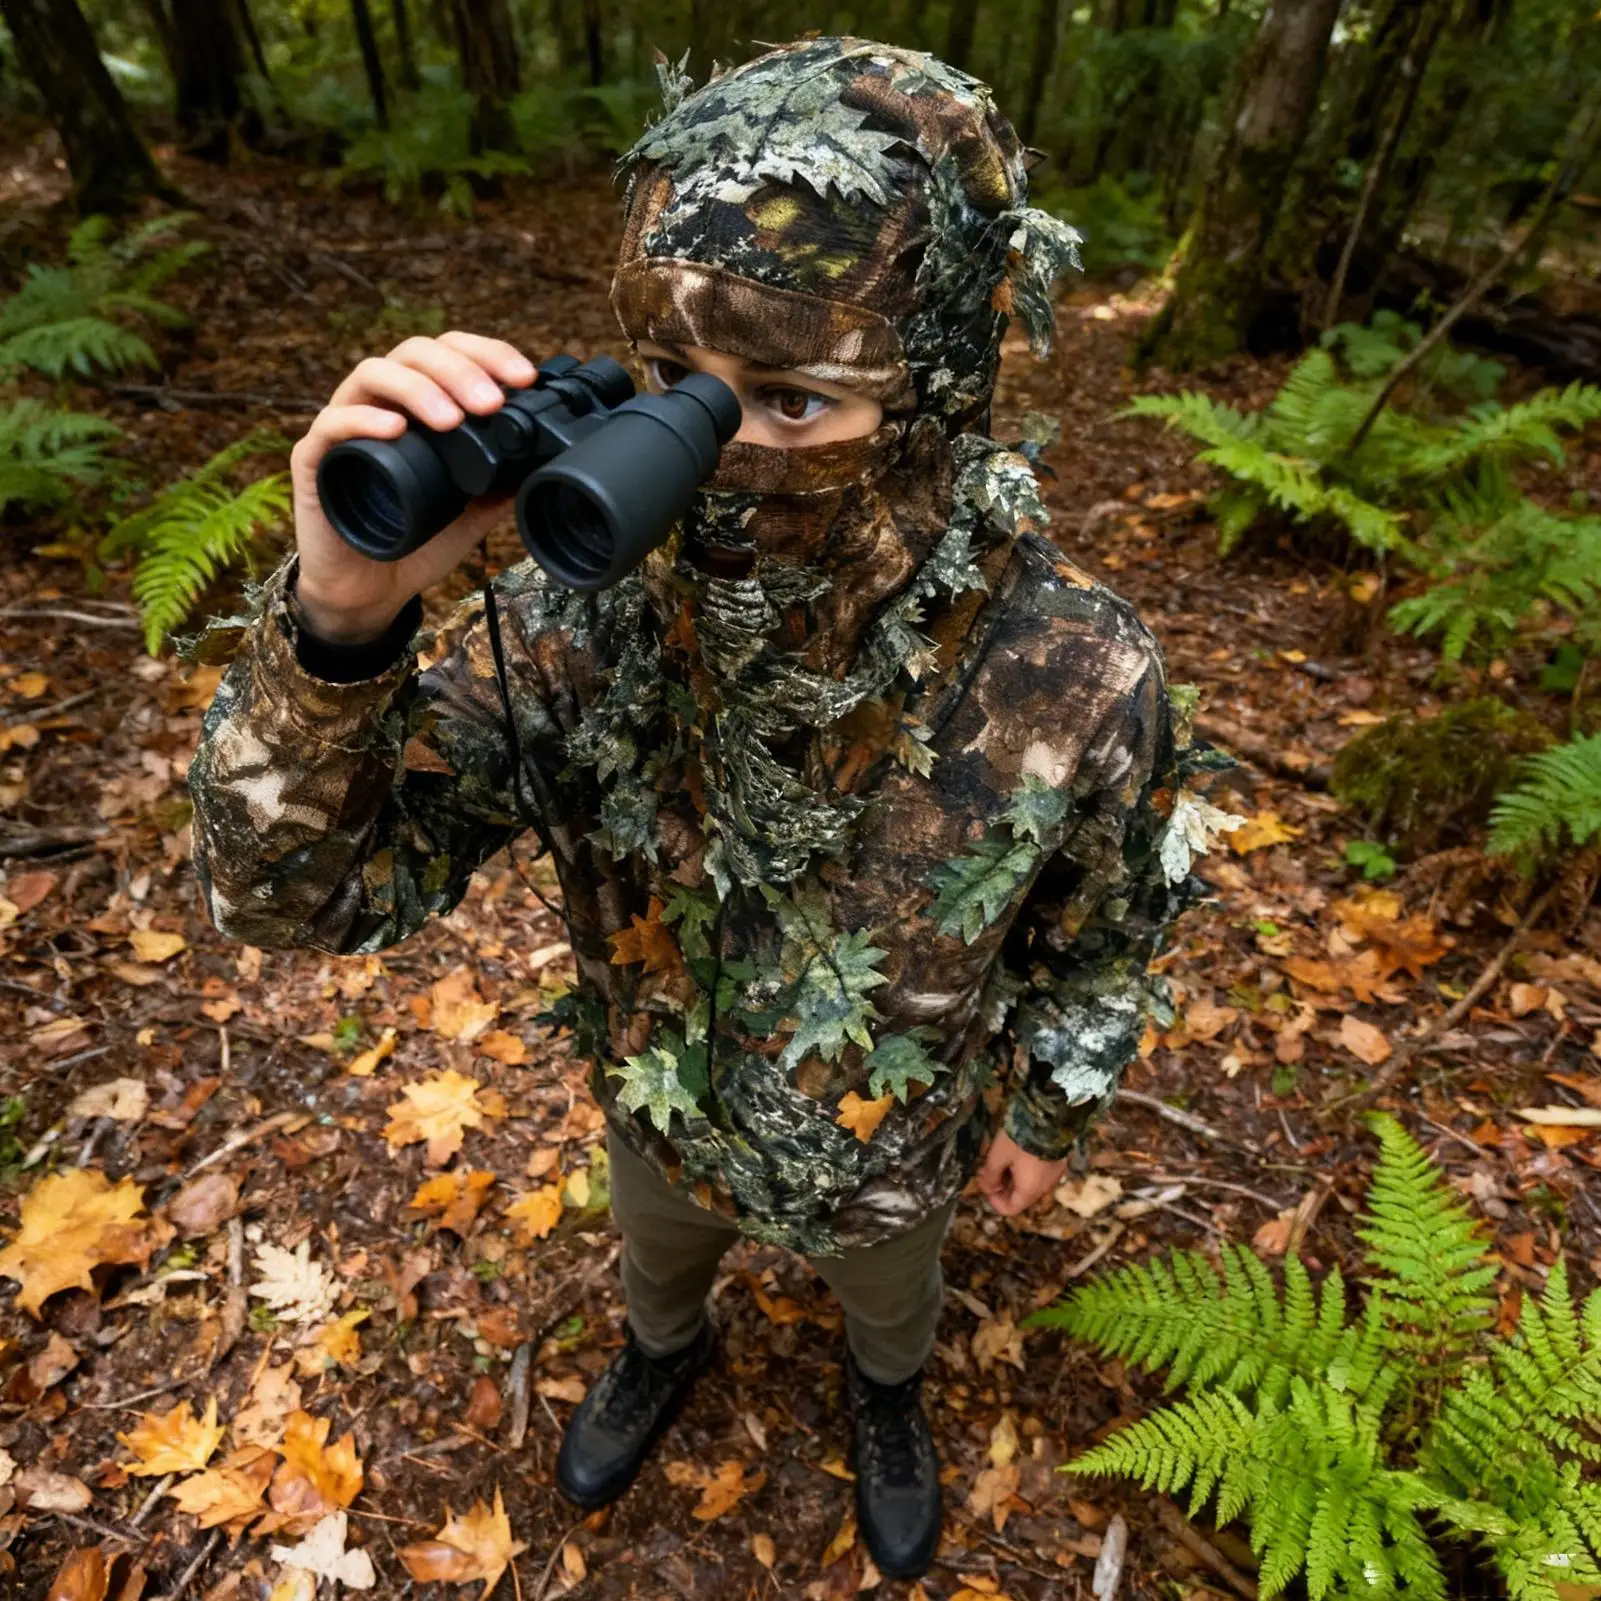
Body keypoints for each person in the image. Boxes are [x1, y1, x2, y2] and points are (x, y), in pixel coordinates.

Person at [187, 36, 1227, 1581]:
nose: (710, 457)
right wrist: (340, 629)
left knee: (893, 1302)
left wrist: (1049, 1102)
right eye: (675, 389)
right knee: (658, 1261)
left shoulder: (1071, 671)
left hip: (896, 1146)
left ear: (933, 398)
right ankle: (663, 1351)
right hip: (663, 1107)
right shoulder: (576, 616)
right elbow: (292, 902)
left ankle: (886, 1401)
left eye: (797, 398)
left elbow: (1108, 923)